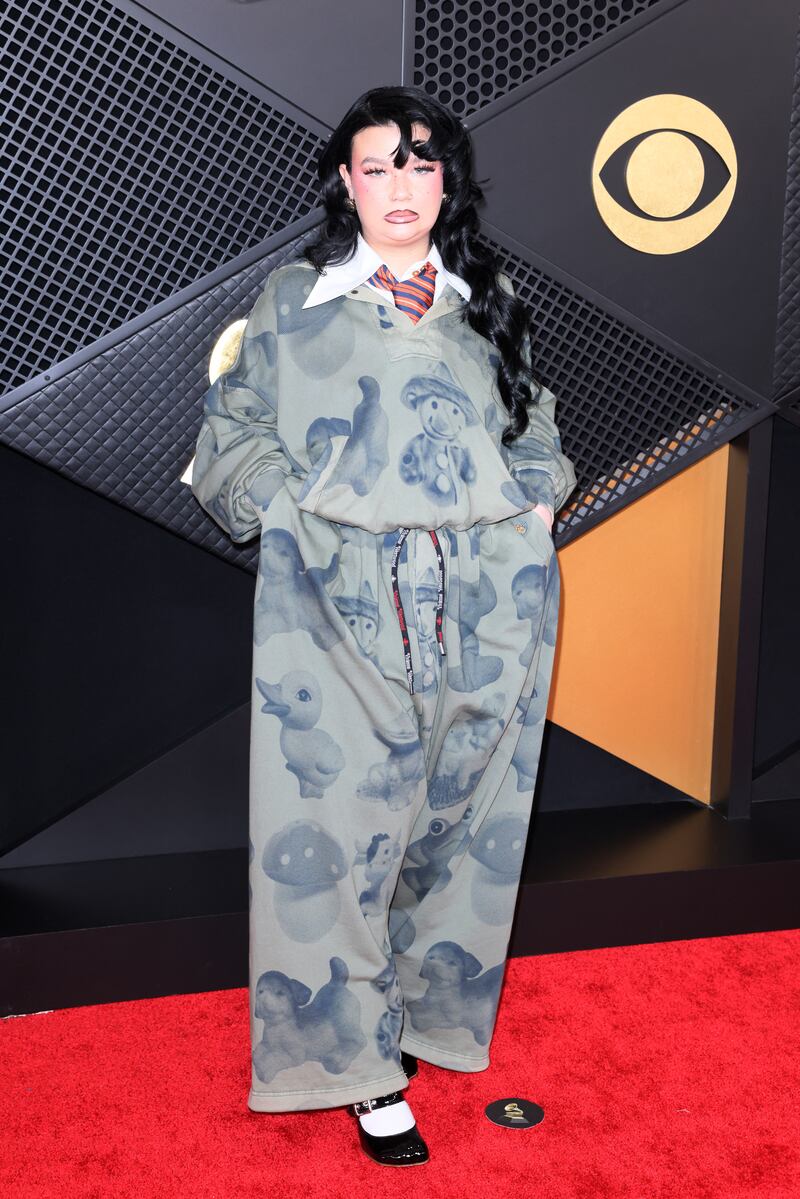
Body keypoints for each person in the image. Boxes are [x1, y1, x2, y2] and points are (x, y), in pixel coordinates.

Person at [190, 84, 577, 1167]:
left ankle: (414, 1016)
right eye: (376, 166)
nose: (398, 187)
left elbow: (535, 416)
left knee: (459, 814)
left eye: (419, 165)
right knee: (337, 825)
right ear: (344, 183)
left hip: (488, 594)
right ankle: (354, 1067)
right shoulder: (294, 300)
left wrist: (537, 495)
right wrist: (285, 512)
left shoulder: (485, 295)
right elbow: (231, 424)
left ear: (444, 182)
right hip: (339, 593)